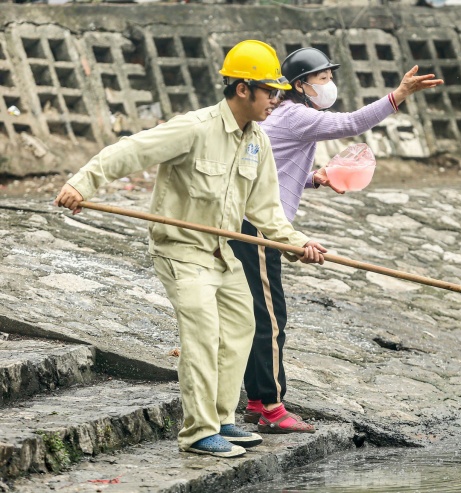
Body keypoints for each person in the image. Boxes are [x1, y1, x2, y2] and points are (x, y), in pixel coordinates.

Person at [53, 40, 327, 458]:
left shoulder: (258, 142)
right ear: (242, 89)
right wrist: (81, 183)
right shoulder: (195, 127)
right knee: (202, 330)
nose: (277, 98)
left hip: (222, 252)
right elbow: (132, 150)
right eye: (269, 90)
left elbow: (266, 211)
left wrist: (298, 244)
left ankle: (222, 420)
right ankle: (198, 433)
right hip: (181, 250)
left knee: (241, 327)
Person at [230, 47, 443, 434]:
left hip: (252, 221)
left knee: (256, 314)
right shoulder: (297, 115)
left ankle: (259, 399)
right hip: (258, 226)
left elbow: (274, 169)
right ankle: (273, 409)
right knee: (271, 319)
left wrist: (313, 178)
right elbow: (352, 123)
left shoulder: (281, 113)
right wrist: (399, 95)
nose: (330, 85)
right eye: (323, 79)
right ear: (301, 85)